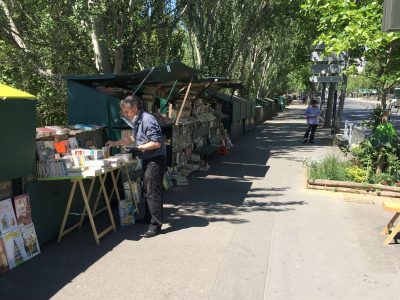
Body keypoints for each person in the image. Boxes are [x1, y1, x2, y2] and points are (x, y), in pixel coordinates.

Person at [106, 95, 167, 238]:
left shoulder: (147, 119)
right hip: (149, 159)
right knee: (147, 189)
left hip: (155, 159)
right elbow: (134, 137)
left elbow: (156, 143)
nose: (125, 114)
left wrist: (137, 148)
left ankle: (155, 225)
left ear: (134, 108)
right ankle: (148, 217)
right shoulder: (139, 120)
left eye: (126, 111)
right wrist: (115, 143)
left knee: (152, 191)